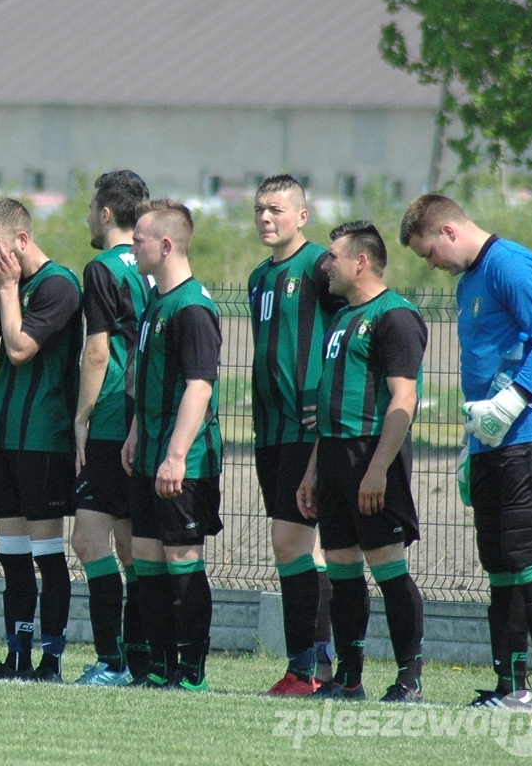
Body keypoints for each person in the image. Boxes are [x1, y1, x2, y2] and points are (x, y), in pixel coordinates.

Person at [401, 194, 532, 710]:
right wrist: (471, 447)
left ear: (448, 232)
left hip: (529, 435)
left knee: (525, 553)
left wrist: (512, 402)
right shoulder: (469, 281)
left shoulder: (509, 264)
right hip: (489, 442)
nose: (431, 265)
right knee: (497, 560)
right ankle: (511, 685)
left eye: (428, 253)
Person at [296, 221, 428, 703]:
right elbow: (328, 406)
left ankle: (409, 678)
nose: (324, 265)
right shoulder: (340, 319)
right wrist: (313, 471)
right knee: (343, 569)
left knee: (388, 567)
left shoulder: (396, 317)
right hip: (332, 457)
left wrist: (376, 469)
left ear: (361, 262)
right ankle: (348, 677)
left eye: (332, 256)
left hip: (372, 456)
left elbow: (405, 397)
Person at [0, 198, 82, 682]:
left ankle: (50, 661)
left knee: (47, 557)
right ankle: (16, 657)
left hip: (45, 442)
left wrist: (9, 287)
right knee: (12, 558)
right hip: (6, 441)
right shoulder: (6, 286)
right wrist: (1, 290)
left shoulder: (59, 284)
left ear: (21, 240)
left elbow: (17, 349)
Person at [248, 174, 343, 695]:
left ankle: (311, 667)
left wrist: (326, 402)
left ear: (302, 216)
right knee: (291, 549)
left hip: (307, 431)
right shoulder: (259, 276)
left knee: (296, 544)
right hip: (270, 431)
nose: (266, 217)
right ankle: (309, 666)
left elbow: (349, 331)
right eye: (261, 208)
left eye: (277, 209)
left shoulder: (321, 268)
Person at [123, 199, 222, 692]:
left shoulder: (193, 307)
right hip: (149, 455)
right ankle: (160, 666)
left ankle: (191, 671)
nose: (132, 246)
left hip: (184, 460)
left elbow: (199, 387)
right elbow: (148, 380)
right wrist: (138, 434)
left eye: (139, 239)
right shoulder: (155, 302)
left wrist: (176, 455)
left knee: (181, 561)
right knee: (146, 560)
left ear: (165, 246)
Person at [70, 170, 152, 686]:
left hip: (110, 417)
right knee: (128, 547)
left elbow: (98, 350)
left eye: (90, 207)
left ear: (104, 213)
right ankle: (136, 658)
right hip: (142, 414)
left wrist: (81, 416)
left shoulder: (101, 267)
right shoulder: (149, 264)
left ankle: (112, 660)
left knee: (87, 540)